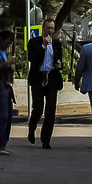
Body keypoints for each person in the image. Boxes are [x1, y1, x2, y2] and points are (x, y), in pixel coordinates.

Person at [26, 16, 64, 149]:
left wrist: (59, 65)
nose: (49, 31)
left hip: (52, 77)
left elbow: (59, 60)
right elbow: (33, 59)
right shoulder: (34, 42)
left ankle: (46, 139)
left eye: (52, 28)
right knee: (38, 107)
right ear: (43, 29)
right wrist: (43, 46)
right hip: (38, 77)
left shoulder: (57, 43)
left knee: (51, 110)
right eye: (47, 28)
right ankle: (32, 128)